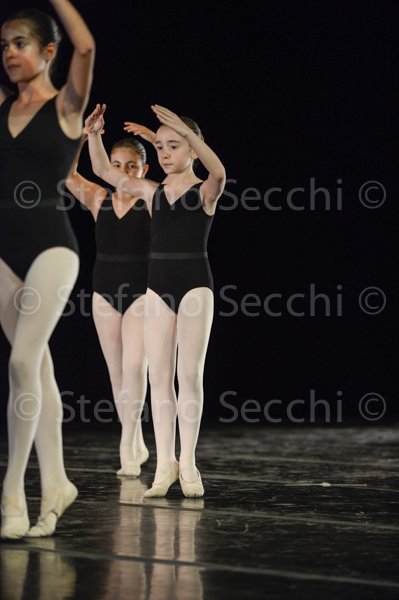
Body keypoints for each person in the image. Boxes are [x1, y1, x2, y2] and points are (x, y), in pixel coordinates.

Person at [85, 102, 226, 498]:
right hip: (157, 289)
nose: (163, 153)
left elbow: (219, 172)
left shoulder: (205, 191)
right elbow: (103, 171)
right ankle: (165, 464)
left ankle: (189, 462)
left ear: (192, 149)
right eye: (159, 147)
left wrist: (189, 133)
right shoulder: (151, 192)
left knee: (189, 377)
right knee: (158, 378)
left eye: (172, 146)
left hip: (195, 287)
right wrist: (93, 135)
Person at [0, 1, 95, 538]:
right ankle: (57, 483)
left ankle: (13, 492)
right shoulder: (1, 107)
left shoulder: (66, 106)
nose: (9, 53)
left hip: (51, 248)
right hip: (3, 252)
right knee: (37, 369)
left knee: (21, 362)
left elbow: (87, 46)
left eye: (20, 43)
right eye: (4, 46)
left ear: (48, 50)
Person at [65, 134, 152, 476]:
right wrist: (85, 138)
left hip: (141, 293)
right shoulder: (99, 198)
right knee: (117, 372)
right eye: (116, 165)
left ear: (144, 169)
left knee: (135, 366)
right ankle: (134, 437)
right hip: (104, 292)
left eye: (131, 166)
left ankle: (127, 444)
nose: (123, 172)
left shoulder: (152, 199)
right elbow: (68, 174)